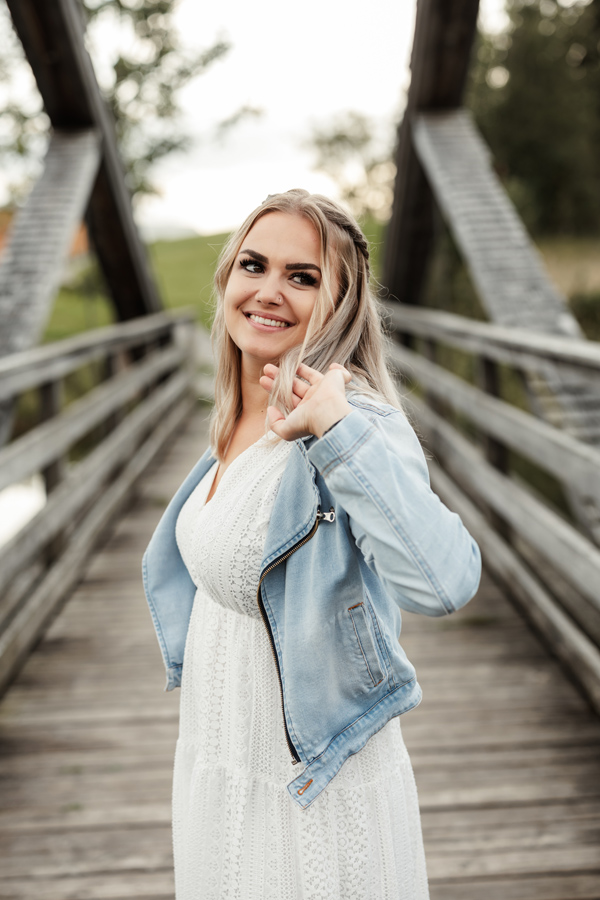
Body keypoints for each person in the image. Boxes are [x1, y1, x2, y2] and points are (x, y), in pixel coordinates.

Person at [142, 188, 482, 899]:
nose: (269, 291)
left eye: (302, 277)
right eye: (253, 265)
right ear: (226, 279)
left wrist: (338, 434)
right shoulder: (234, 417)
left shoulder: (354, 421)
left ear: (342, 304)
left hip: (310, 784)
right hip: (221, 755)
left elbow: (445, 582)